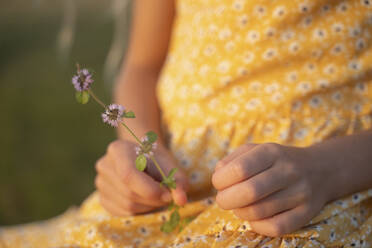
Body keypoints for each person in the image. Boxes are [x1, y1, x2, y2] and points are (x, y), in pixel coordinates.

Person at [1, 0, 372, 247]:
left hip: (316, 182)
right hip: (173, 179)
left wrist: (328, 169)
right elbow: (142, 66)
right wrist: (141, 148)